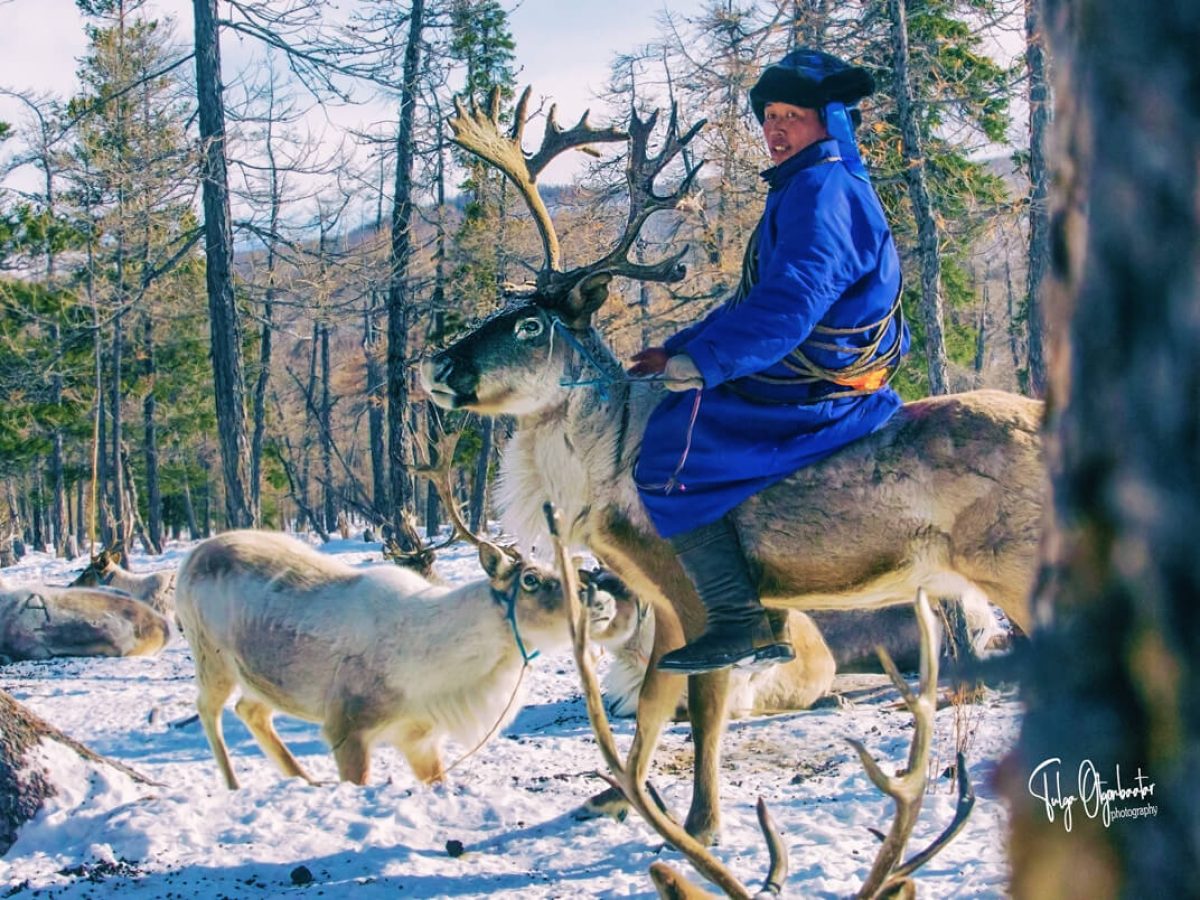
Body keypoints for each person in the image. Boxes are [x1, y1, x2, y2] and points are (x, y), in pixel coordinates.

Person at [629, 48, 910, 676]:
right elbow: (753, 300)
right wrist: (679, 349)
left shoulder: (820, 190)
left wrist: (701, 366)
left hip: (817, 382)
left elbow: (787, 307)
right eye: (770, 115)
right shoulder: (812, 183)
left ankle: (739, 620)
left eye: (792, 115)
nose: (776, 128)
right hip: (818, 363)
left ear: (826, 122)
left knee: (668, 450)